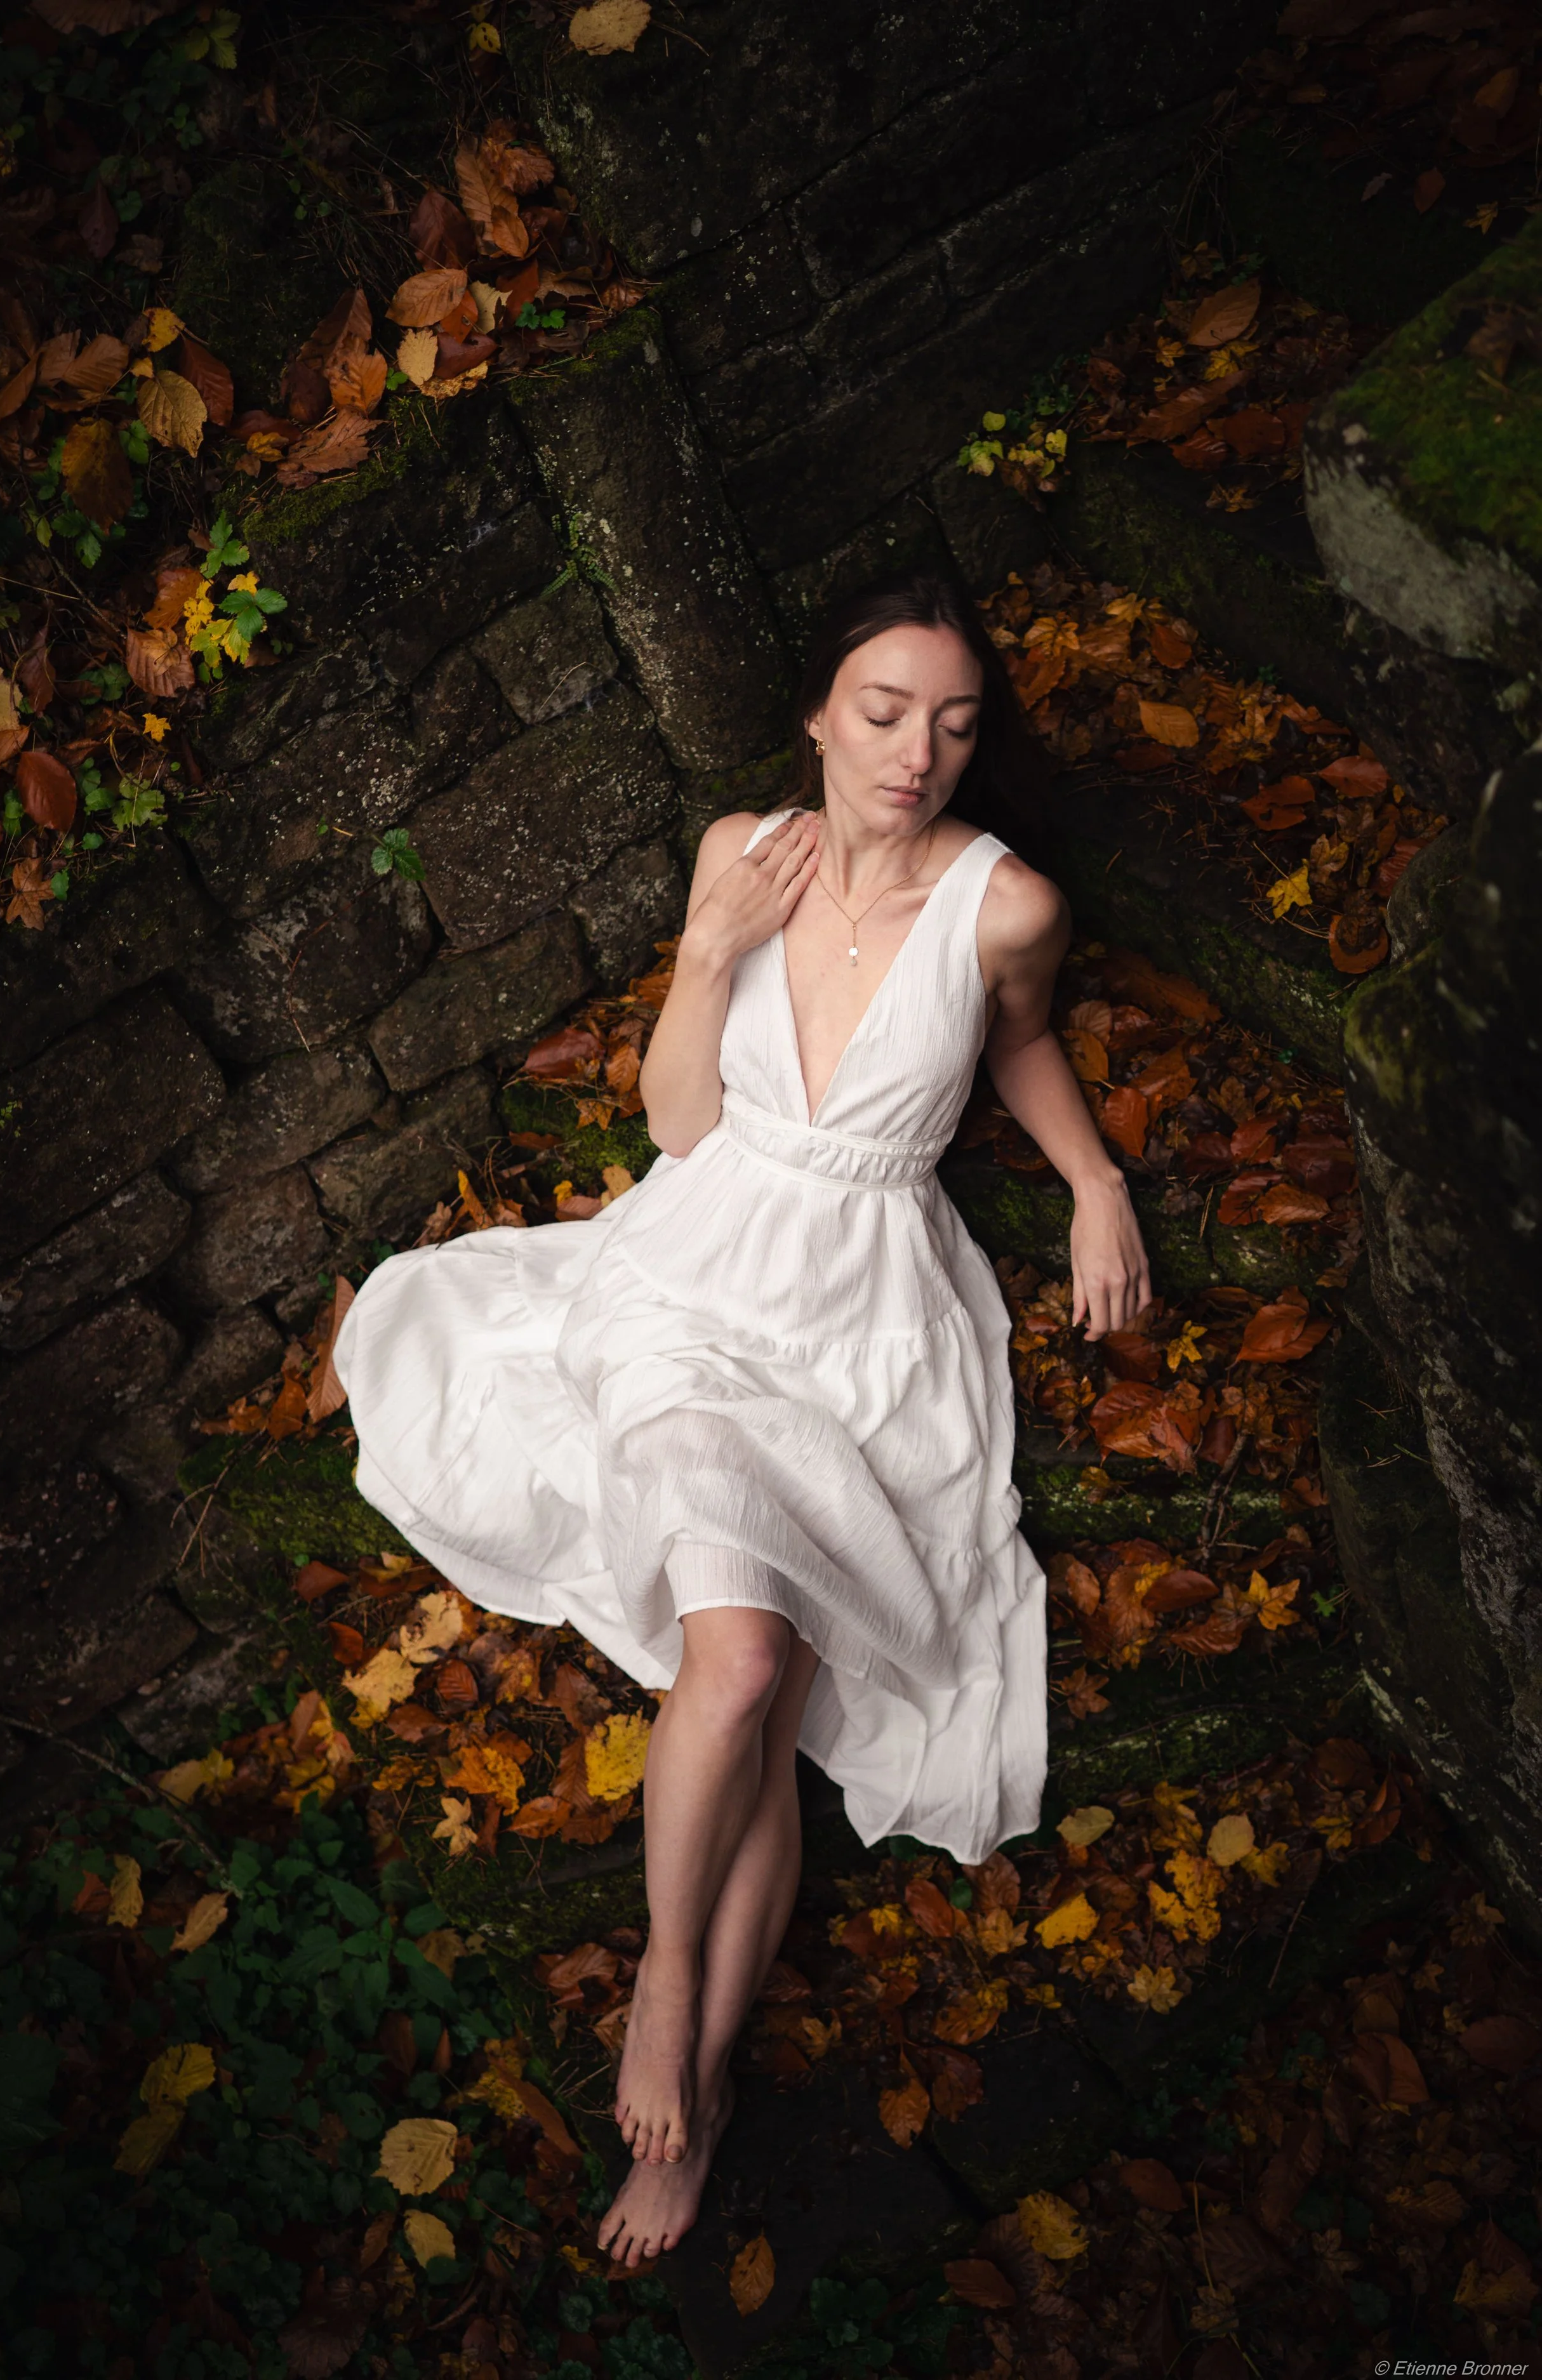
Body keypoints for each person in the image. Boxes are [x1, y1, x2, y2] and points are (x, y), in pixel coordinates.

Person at [329, 568, 1152, 2269]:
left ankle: (685, 2096)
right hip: (697, 1279)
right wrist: (708, 949)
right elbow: (680, 1123)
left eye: (950, 721)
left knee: (764, 1685)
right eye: (880, 710)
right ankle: (673, 1977)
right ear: (814, 712)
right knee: (746, 1658)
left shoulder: (1005, 907)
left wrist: (1091, 1182)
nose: (914, 751)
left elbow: (1019, 1043)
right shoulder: (742, 854)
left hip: (867, 1312)